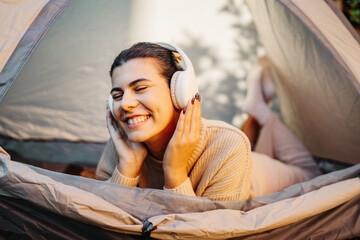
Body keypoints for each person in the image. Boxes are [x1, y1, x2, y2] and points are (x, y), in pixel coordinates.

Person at [96, 42, 321, 201]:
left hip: (260, 174)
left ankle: (260, 111)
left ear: (180, 91)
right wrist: (126, 168)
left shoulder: (229, 144)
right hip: (235, 161)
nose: (125, 104)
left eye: (140, 88)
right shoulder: (123, 144)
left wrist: (174, 171)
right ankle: (258, 111)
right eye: (117, 95)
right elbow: (100, 222)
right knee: (255, 148)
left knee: (312, 173)